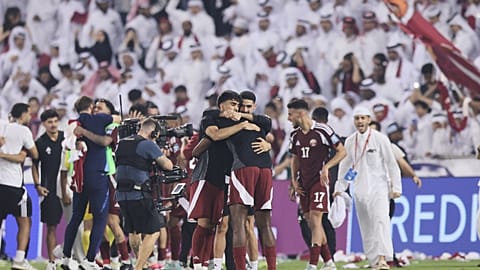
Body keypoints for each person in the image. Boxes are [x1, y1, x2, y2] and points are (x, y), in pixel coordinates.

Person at [188, 91, 260, 270]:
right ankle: (197, 264)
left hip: (227, 179)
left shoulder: (239, 122)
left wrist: (265, 141)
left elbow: (264, 127)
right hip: (206, 175)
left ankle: (209, 263)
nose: (235, 108)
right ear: (221, 106)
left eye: (237, 105)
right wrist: (242, 125)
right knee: (204, 223)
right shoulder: (210, 118)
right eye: (232, 104)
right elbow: (215, 135)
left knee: (217, 224)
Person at [334, 107, 401, 270]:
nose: (360, 122)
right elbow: (345, 166)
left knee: (381, 221)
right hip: (359, 189)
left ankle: (384, 259)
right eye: (357, 118)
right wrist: (339, 187)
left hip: (379, 188)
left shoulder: (380, 139)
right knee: (366, 226)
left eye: (363, 118)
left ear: (369, 120)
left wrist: (396, 186)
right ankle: (374, 261)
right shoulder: (350, 141)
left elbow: (392, 164)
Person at [61, 96, 120, 270]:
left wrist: (82, 133)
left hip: (80, 177)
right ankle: (89, 259)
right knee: (100, 218)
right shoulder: (101, 119)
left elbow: (67, 143)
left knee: (76, 217)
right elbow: (116, 121)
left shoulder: (74, 122)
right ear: (92, 106)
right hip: (98, 176)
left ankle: (65, 257)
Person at [287, 99, 345, 270]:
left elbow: (342, 151)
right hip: (303, 183)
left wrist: (327, 166)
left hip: (319, 181)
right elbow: (295, 159)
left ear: (301, 113)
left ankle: (312, 264)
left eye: (291, 114)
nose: (289, 118)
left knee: (315, 219)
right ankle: (329, 262)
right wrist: (294, 181)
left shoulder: (323, 130)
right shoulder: (294, 135)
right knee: (311, 223)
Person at [225, 90, 277, 270]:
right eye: (242, 106)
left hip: (244, 169)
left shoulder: (251, 120)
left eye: (249, 106)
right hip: (265, 169)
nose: (245, 110)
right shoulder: (258, 123)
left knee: (238, 224)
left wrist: (240, 118)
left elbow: (267, 123)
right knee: (264, 225)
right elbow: (268, 127)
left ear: (254, 107)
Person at [115, 117, 174, 270]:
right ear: (153, 132)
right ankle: (139, 267)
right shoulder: (147, 144)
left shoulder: (122, 143)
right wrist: (157, 148)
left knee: (134, 231)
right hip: (139, 194)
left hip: (121, 194)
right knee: (154, 231)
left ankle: (141, 264)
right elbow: (168, 165)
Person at [0, 103, 39, 270]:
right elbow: (35, 154)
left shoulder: (3, 126)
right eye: (29, 114)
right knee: (25, 221)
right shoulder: (23, 131)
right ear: (23, 114)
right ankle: (19, 259)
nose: (30, 117)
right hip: (14, 184)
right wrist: (22, 153)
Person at [31, 110, 65, 270]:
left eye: (55, 121)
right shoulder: (40, 143)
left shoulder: (66, 139)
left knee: (78, 225)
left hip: (68, 188)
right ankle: (51, 262)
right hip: (50, 190)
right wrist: (38, 185)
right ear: (44, 124)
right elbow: (34, 165)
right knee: (51, 227)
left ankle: (72, 258)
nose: (53, 125)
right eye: (49, 122)